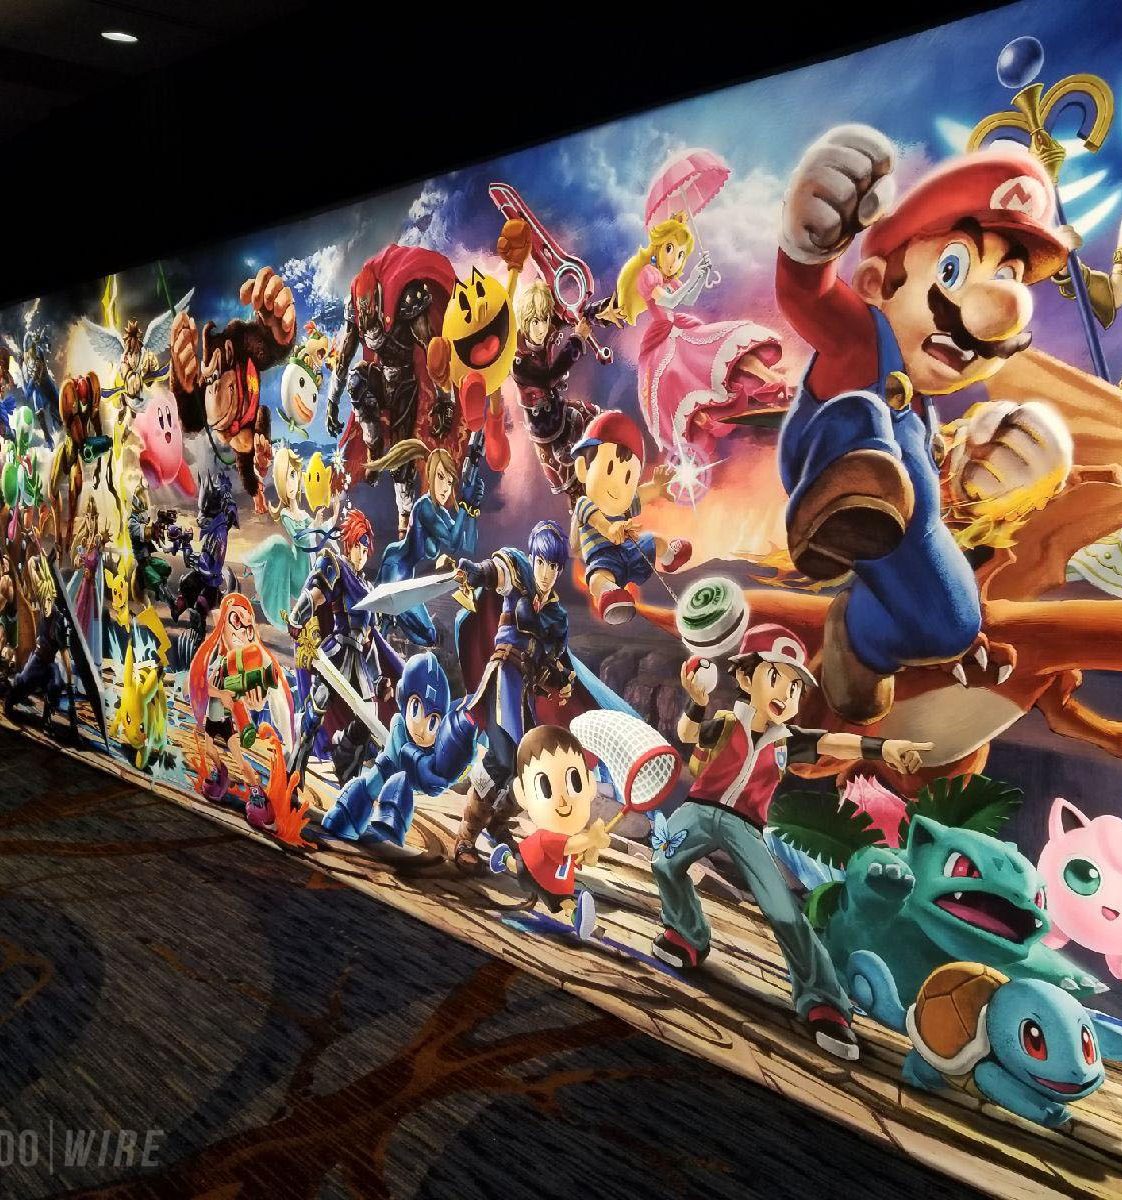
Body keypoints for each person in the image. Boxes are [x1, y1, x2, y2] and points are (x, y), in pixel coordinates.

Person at [776, 126, 1073, 722]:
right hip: (829, 455)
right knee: (865, 419)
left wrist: (990, 456)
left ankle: (863, 643)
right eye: (955, 267)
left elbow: (943, 479)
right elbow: (808, 296)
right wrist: (808, 242)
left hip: (899, 520)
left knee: (953, 619)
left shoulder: (926, 411)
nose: (996, 310)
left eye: (1008, 279)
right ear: (875, 285)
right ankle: (842, 503)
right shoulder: (864, 338)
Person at [653, 623, 932, 1061]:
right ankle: (685, 934)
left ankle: (824, 1003)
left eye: (796, 687)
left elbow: (835, 743)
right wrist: (698, 699)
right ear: (745, 678)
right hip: (700, 810)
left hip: (746, 827)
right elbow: (689, 733)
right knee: (664, 861)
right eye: (775, 677)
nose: (786, 693)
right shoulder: (726, 723)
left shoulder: (790, 742)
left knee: (784, 911)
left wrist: (884, 749)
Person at [489, 724, 611, 940]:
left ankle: (578, 918)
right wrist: (591, 837)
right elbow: (568, 847)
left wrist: (594, 845)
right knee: (515, 865)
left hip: (555, 883)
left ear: (590, 785)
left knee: (565, 902)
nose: (563, 801)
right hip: (532, 868)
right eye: (545, 787)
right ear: (523, 794)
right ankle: (504, 857)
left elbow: (588, 860)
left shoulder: (573, 837)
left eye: (575, 783)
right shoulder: (548, 836)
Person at [572, 410, 691, 624]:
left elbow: (640, 496)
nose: (619, 487)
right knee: (597, 577)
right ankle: (610, 594)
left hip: (628, 550)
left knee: (654, 540)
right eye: (609, 469)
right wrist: (609, 529)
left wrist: (656, 487)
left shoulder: (623, 507)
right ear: (583, 469)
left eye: (628, 478)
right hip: (603, 556)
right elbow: (596, 520)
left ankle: (669, 558)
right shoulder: (585, 503)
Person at [512, 280, 600, 508]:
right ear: (525, 321)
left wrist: (597, 312)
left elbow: (569, 317)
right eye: (535, 321)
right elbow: (550, 376)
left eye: (544, 319)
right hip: (547, 431)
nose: (542, 328)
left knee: (597, 422)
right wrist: (577, 339)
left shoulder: (543, 330)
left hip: (560, 411)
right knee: (574, 484)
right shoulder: (519, 361)